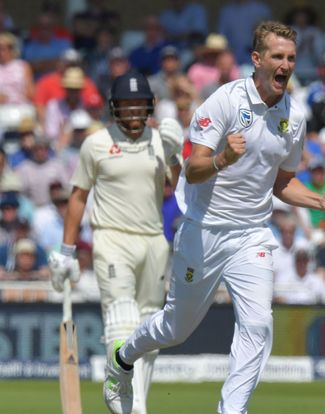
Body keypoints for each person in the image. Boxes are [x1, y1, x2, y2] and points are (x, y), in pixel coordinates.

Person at [97, 21, 325, 414]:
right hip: (204, 230)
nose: (286, 65)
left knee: (258, 325)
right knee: (175, 329)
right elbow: (193, 169)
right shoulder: (224, 102)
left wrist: (322, 203)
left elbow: (281, 183)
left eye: (291, 58)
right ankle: (122, 358)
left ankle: (231, 410)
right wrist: (222, 159)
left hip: (251, 235)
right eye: (277, 57)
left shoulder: (294, 117)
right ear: (257, 59)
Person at [48, 70, 184, 414]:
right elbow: (78, 196)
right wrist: (67, 250)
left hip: (154, 240)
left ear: (150, 107)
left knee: (150, 326)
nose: (135, 113)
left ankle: (138, 401)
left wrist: (175, 154)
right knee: (122, 318)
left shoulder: (158, 140)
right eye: (128, 106)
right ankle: (127, 403)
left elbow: (184, 191)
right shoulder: (95, 144)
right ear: (114, 109)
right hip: (111, 237)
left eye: (141, 106)